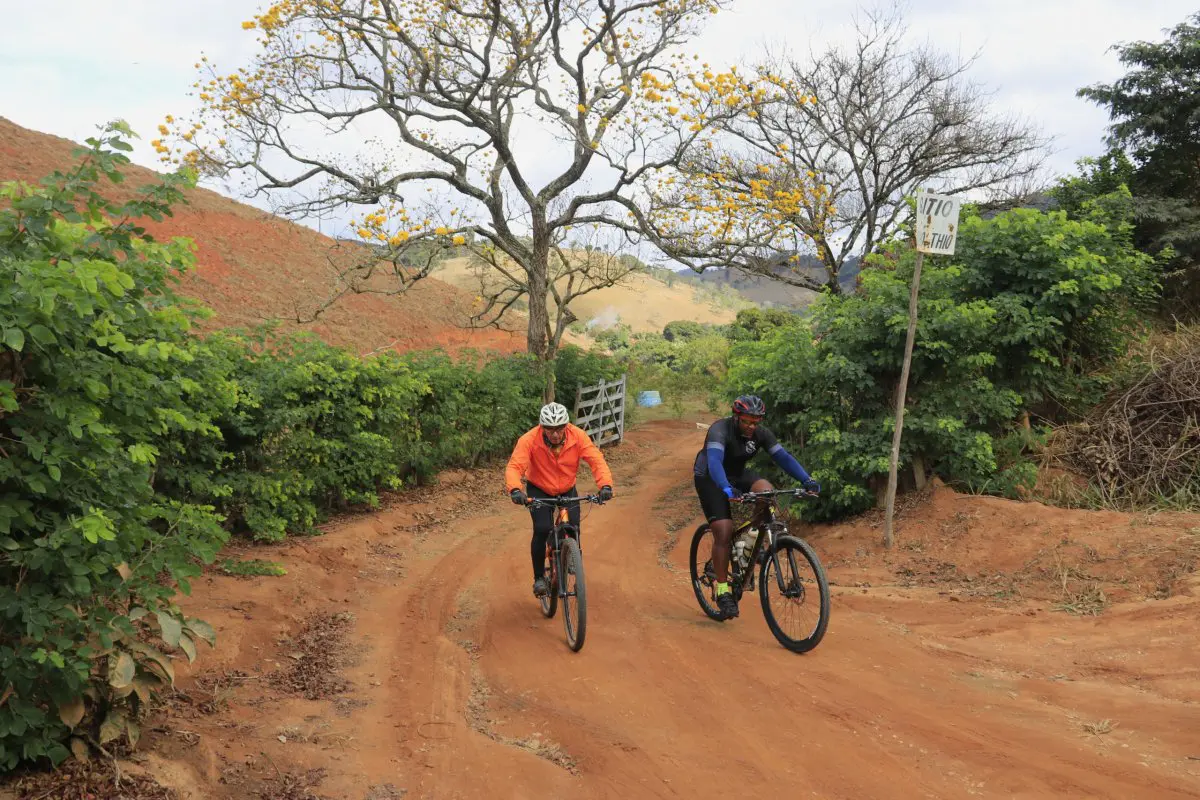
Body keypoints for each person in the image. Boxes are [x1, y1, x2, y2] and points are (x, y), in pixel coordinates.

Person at [693, 394, 819, 620]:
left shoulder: (761, 434)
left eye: (756, 422)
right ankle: (723, 590)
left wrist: (806, 480)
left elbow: (784, 457)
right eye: (747, 421)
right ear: (736, 416)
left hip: (738, 474)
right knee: (723, 530)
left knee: (766, 492)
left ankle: (749, 543)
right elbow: (713, 462)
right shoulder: (720, 430)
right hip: (711, 477)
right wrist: (726, 488)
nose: (752, 426)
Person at [505, 402, 615, 597]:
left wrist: (605, 485)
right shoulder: (529, 439)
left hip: (566, 487)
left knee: (573, 525)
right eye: (549, 429)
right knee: (542, 529)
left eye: (559, 429)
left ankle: (573, 557)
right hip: (539, 487)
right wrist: (515, 489)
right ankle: (539, 578)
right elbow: (515, 466)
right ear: (542, 427)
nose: (555, 434)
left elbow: (595, 459)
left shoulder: (578, 436)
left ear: (566, 425)